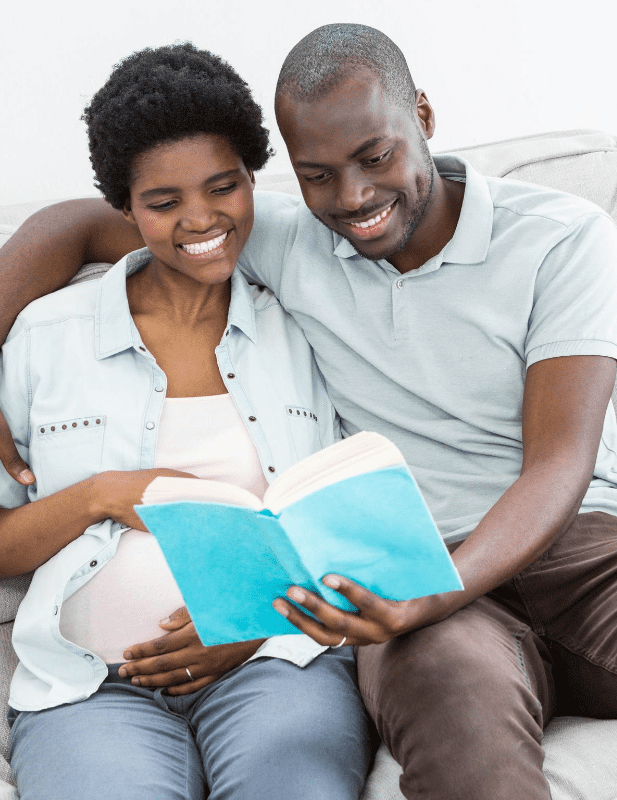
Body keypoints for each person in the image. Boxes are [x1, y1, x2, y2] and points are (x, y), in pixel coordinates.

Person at [2, 23, 617, 800]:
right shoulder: (280, 236)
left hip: (578, 544)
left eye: (374, 157)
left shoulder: (560, 237)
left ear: (421, 115)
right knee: (460, 727)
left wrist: (441, 590)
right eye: (316, 174)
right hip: (400, 566)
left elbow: (558, 464)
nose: (352, 198)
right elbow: (74, 224)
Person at [0, 43, 372, 800]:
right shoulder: (44, 337)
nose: (200, 220)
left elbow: (345, 518)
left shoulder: (302, 327)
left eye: (222, 188)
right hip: (88, 688)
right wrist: (101, 494)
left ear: (252, 182)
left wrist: (247, 624)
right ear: (126, 209)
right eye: (163, 203)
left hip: (274, 660)